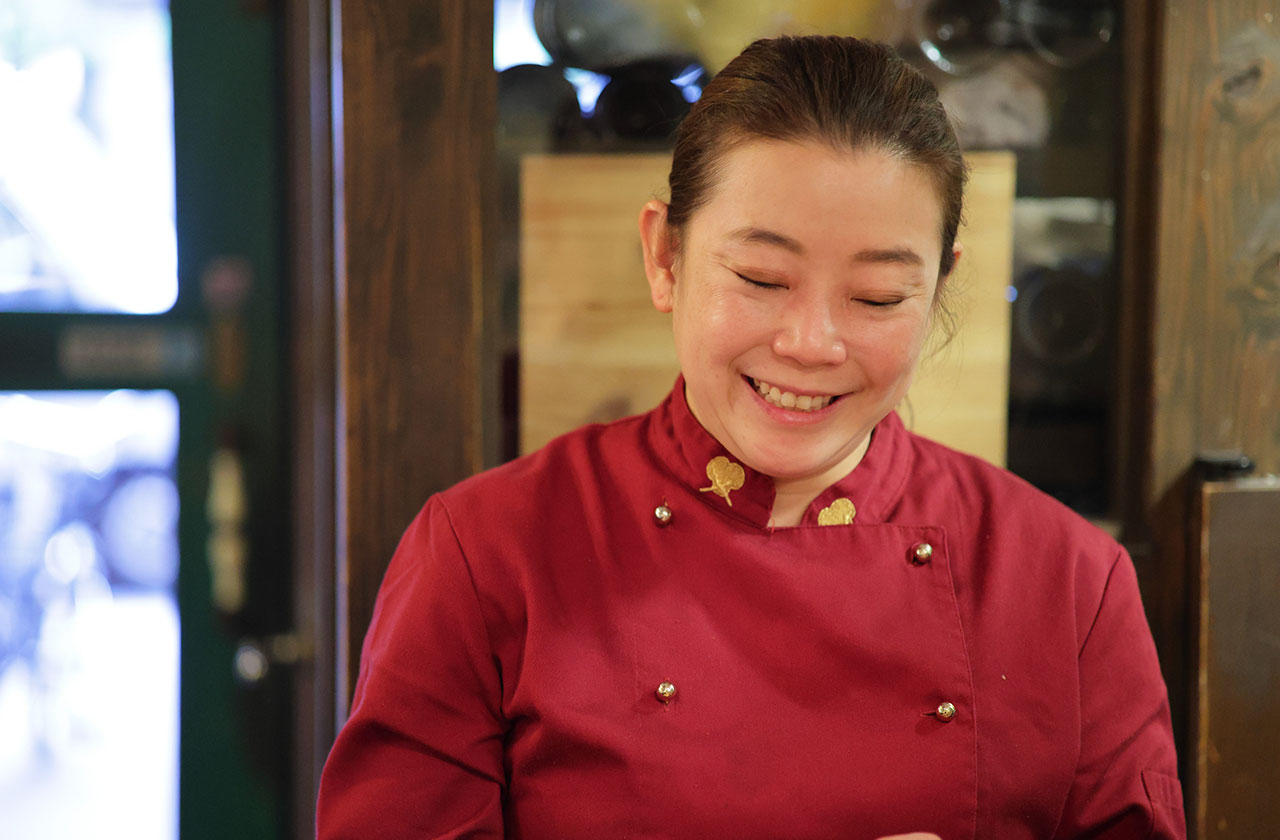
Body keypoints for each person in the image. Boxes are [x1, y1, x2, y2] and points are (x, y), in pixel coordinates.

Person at [316, 35, 1183, 839]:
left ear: (941, 286)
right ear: (666, 258)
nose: (811, 343)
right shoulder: (487, 554)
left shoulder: (1068, 584)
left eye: (878, 296)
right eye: (762, 279)